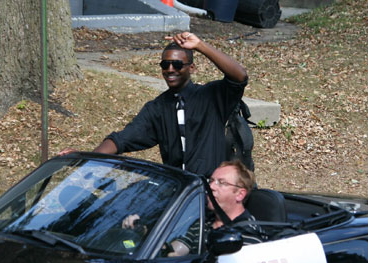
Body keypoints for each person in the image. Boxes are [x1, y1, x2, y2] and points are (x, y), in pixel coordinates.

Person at [64, 31, 248, 177]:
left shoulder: (211, 96)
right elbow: (122, 139)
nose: (170, 70)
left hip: (211, 194)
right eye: (165, 65)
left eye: (177, 64)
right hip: (179, 196)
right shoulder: (157, 108)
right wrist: (87, 157)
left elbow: (240, 76)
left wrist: (199, 45)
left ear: (191, 68)